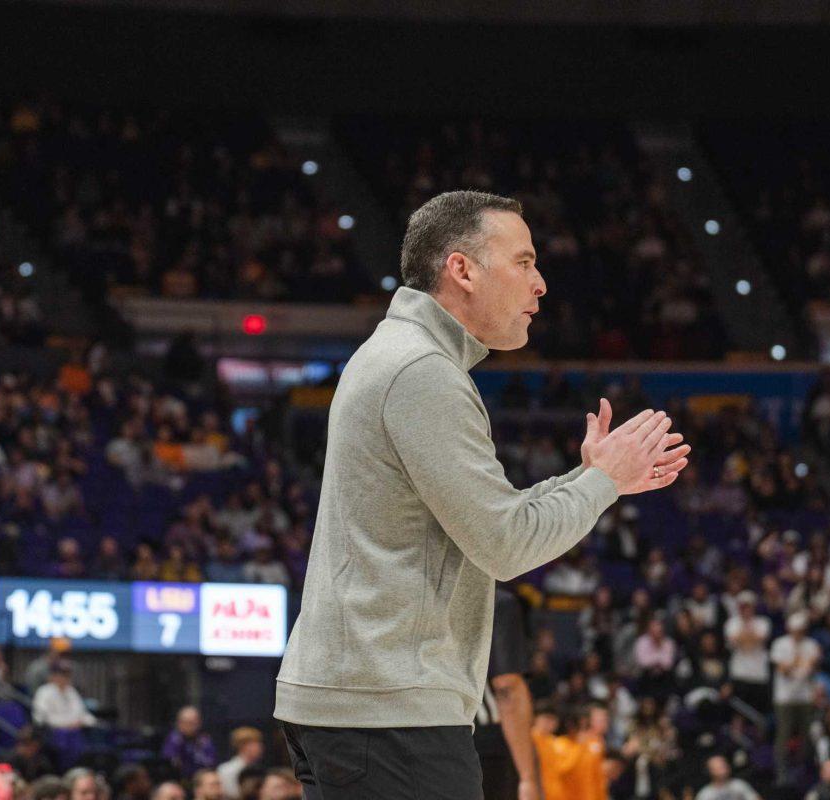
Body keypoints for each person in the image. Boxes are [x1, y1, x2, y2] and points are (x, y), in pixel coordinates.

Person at [274, 190, 690, 799]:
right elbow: (505, 545)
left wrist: (591, 476)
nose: (541, 284)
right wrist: (605, 483)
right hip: (389, 712)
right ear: (461, 269)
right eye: (523, 262)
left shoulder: (400, 355)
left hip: (364, 705)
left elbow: (488, 518)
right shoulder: (422, 372)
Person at [474, 588, 539, 800]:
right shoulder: (496, 601)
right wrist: (528, 778)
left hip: (418, 734)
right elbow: (507, 688)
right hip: (484, 743)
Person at [771, 611, 821, 786]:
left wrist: (800, 664)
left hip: (805, 696)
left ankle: (801, 771)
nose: (798, 633)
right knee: (783, 734)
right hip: (785, 697)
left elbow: (814, 667)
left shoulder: (812, 645)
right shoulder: (780, 644)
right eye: (795, 630)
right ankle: (782, 772)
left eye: (801, 630)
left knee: (806, 734)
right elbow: (782, 669)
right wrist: (800, 661)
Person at [724, 591, 771, 714]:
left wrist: (744, 639)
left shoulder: (763, 622)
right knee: (738, 712)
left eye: (748, 606)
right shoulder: (732, 623)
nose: (745, 609)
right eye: (742, 606)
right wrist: (749, 638)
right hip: (739, 673)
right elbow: (736, 640)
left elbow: (759, 639)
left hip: (759, 674)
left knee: (758, 712)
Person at [31, 661, 95, 729]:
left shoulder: (71, 691)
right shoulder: (44, 691)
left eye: (67, 675)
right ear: (53, 676)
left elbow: (81, 712)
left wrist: (87, 721)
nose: (64, 678)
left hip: (74, 727)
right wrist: (68, 723)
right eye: (62, 675)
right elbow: (42, 717)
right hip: (54, 730)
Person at [161, 706, 216, 779]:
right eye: (185, 722)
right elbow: (170, 763)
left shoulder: (204, 739)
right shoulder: (174, 739)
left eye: (192, 723)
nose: (189, 726)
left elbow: (211, 763)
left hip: (200, 779)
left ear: (199, 723)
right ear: (178, 723)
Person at [217, 727, 264, 800]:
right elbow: (231, 795)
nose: (261, 747)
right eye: (256, 744)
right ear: (243, 746)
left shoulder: (257, 768)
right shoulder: (227, 769)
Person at [694, 755, 760, 800]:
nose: (723, 769)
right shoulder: (705, 794)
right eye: (718, 767)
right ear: (710, 771)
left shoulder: (739, 785)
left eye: (723, 765)